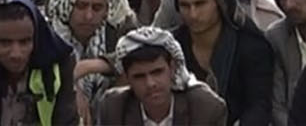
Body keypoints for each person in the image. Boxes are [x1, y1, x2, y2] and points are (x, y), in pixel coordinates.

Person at [95, 26, 228, 126]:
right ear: (127, 78)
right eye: (139, 76)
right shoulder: (113, 108)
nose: (150, 83)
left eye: (157, 72)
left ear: (172, 68)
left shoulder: (206, 108)